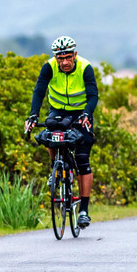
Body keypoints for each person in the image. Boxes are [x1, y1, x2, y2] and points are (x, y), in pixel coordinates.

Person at [24, 36, 99, 229]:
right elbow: (39, 91)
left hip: (81, 112)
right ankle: (55, 167)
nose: (64, 62)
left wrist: (87, 114)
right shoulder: (49, 67)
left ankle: (83, 210)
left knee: (83, 159)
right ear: (55, 57)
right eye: (60, 58)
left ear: (74, 55)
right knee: (50, 134)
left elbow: (93, 95)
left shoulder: (85, 67)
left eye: (67, 57)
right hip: (58, 111)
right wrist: (33, 115)